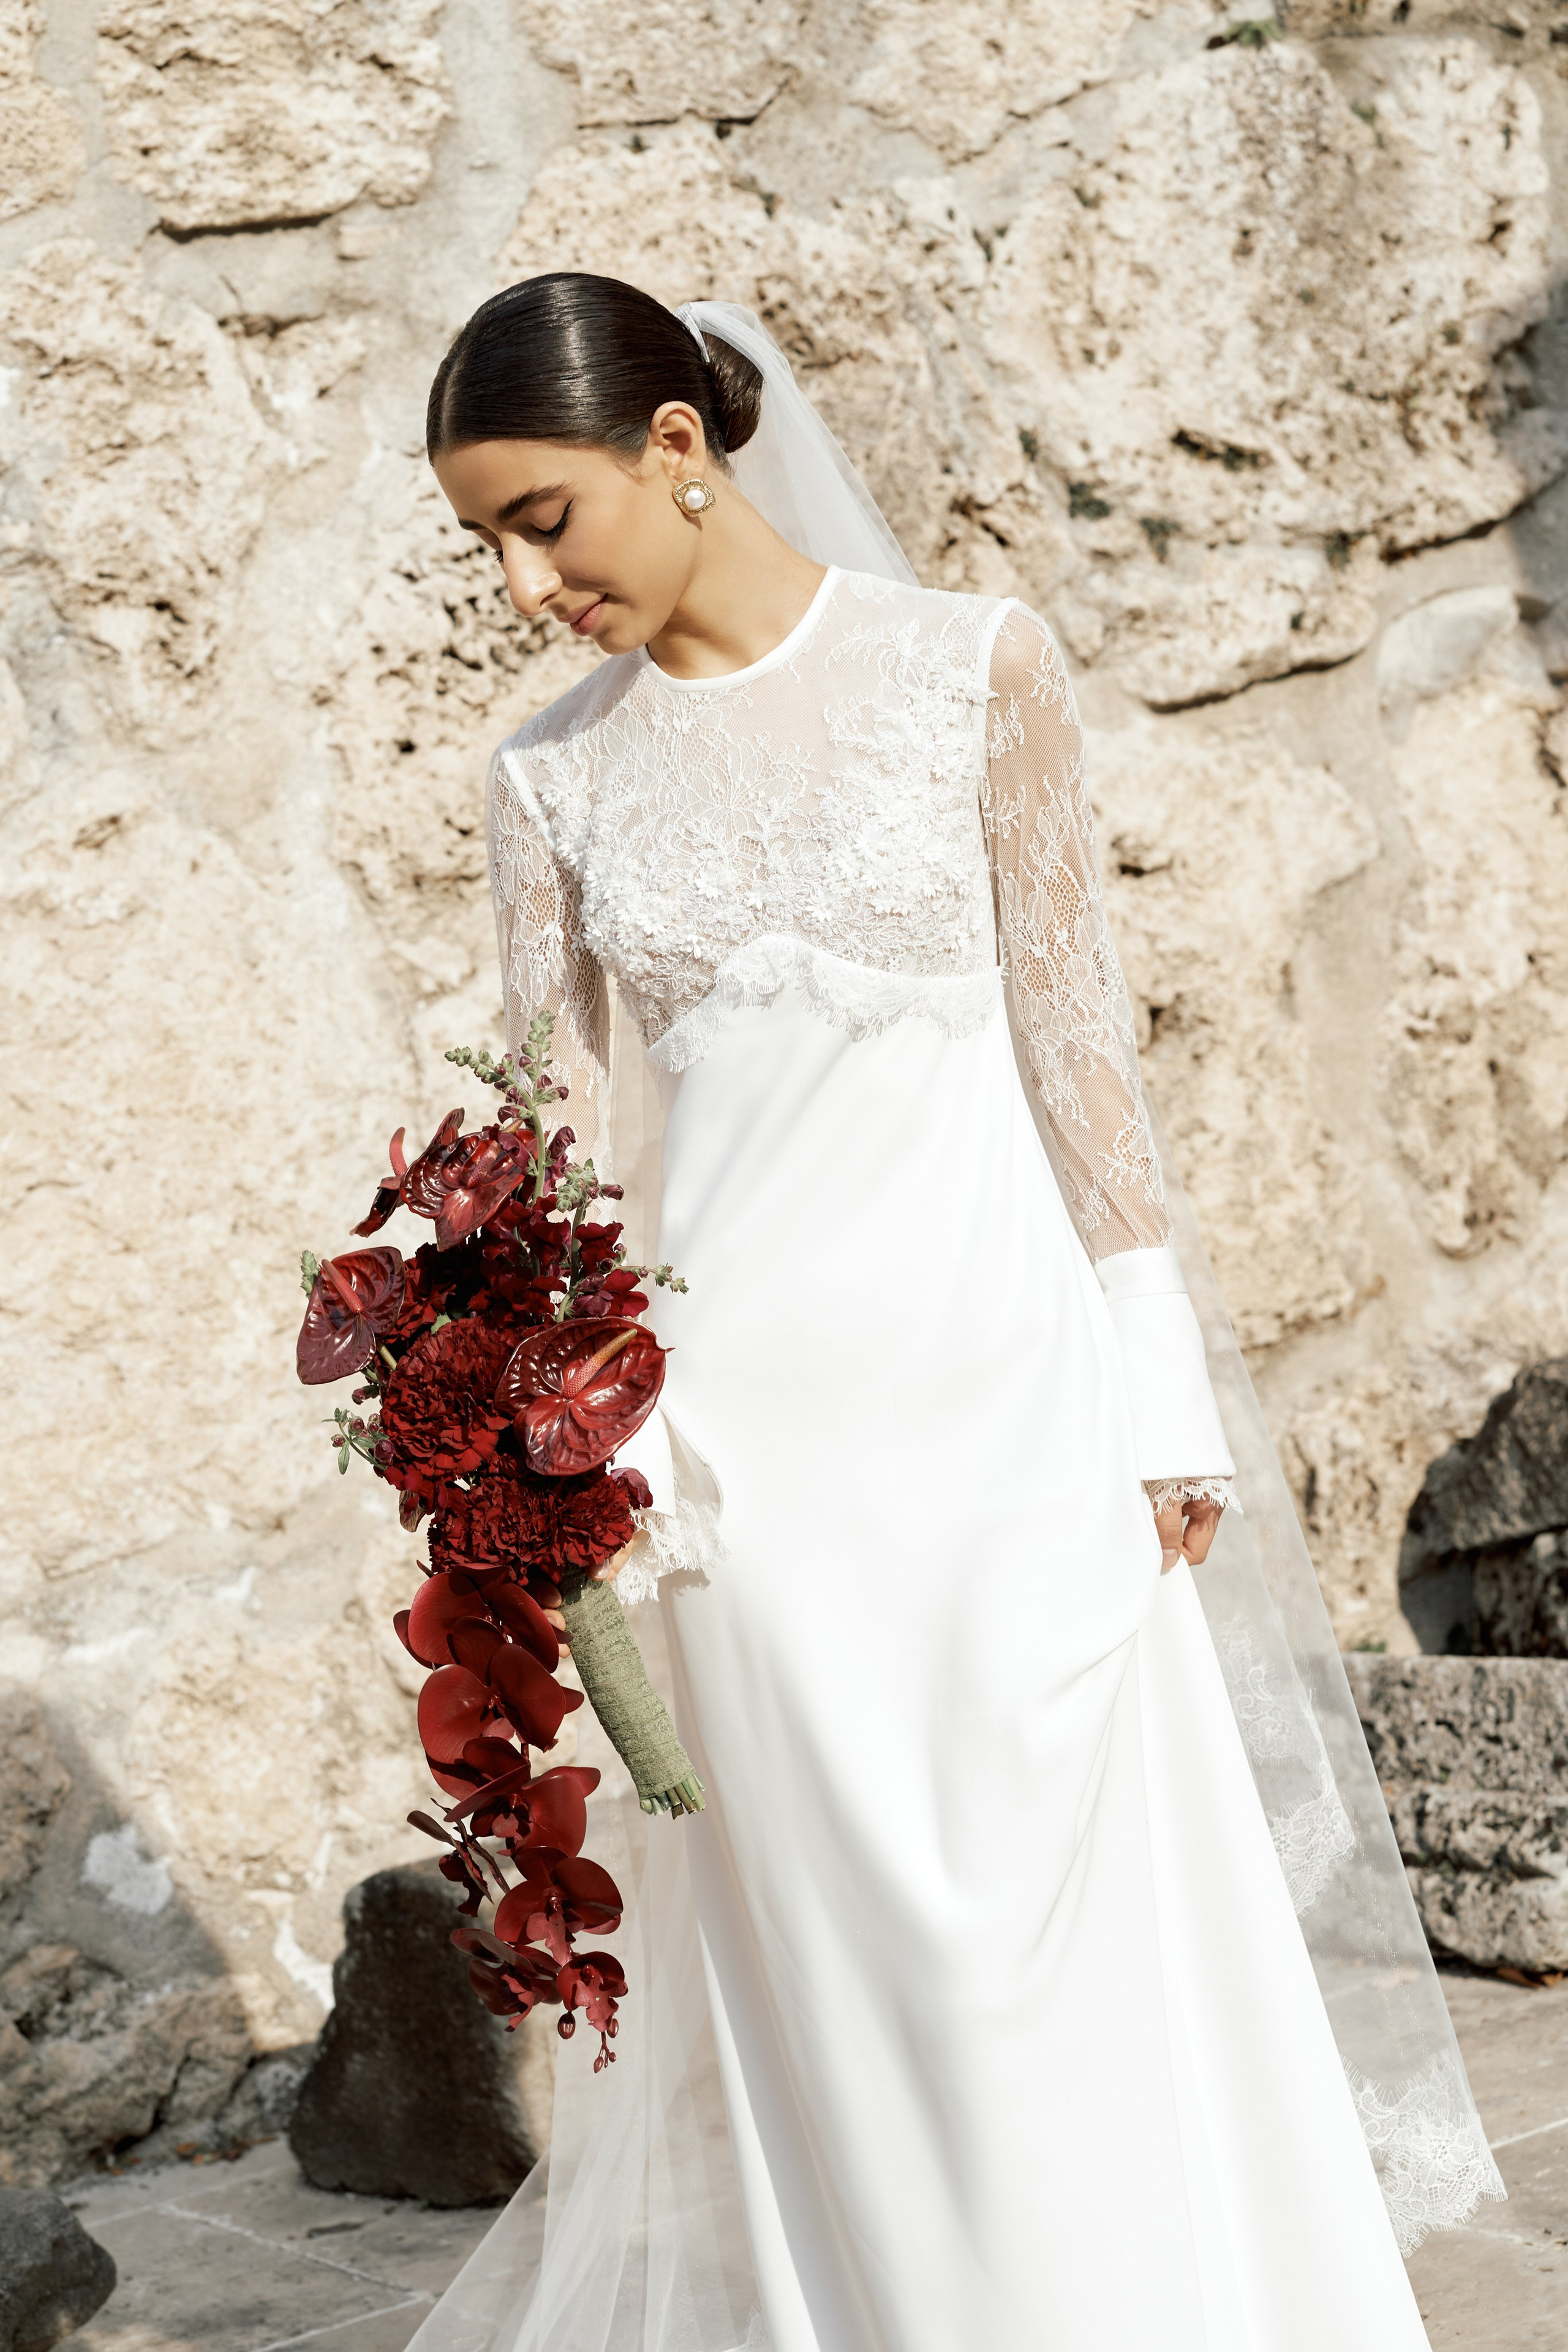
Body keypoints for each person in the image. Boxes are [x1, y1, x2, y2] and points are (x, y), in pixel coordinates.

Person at [408, 273, 1497, 2352]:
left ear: (675, 446)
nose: (524, 580)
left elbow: (1080, 1041)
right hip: (751, 1500)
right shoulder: (550, 783)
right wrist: (561, 1461)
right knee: (867, 2005)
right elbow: (555, 1167)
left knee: (1079, 1962)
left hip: (1013, 1430)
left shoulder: (971, 669)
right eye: (487, 543)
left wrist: (1158, 1384)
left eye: (544, 517)